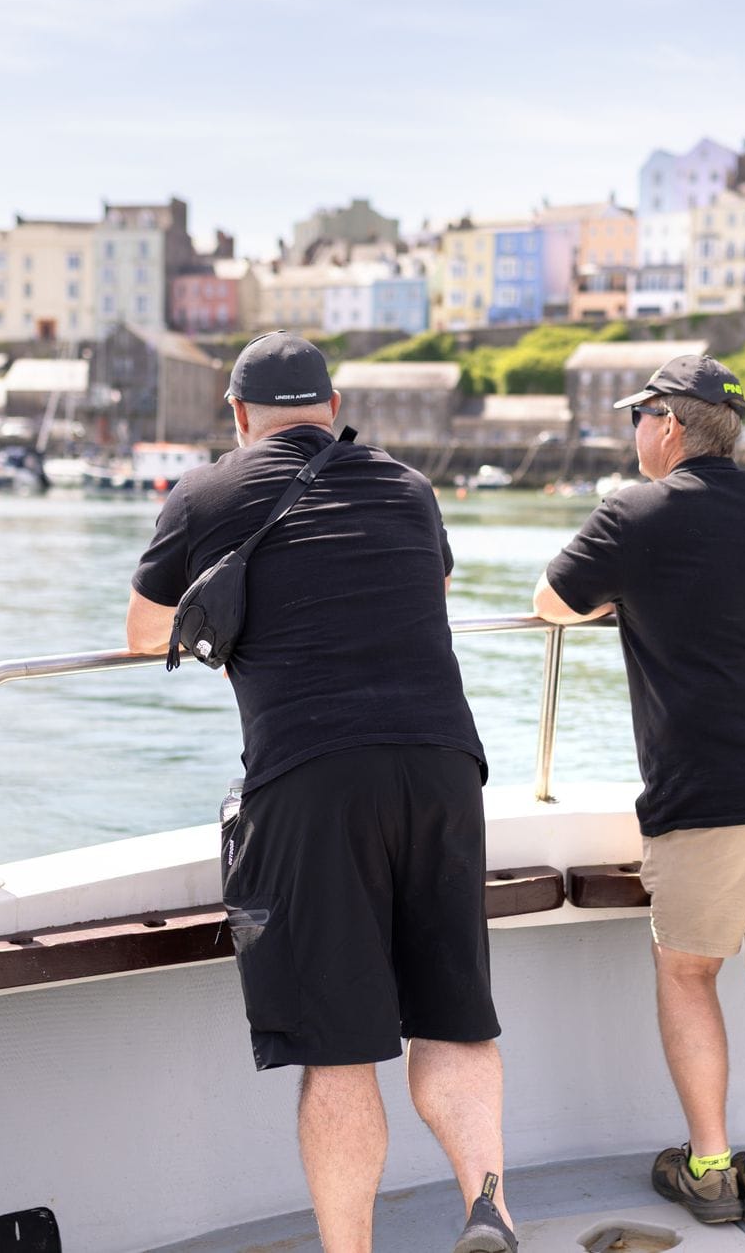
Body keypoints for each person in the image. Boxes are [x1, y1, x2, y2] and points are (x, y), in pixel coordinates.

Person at [125, 332, 517, 1253]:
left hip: (312, 778)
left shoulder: (206, 493)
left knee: (341, 1052)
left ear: (237, 415)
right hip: (444, 768)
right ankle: (490, 1206)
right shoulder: (409, 489)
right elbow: (436, 588)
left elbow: (146, 633)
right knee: (454, 1021)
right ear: (332, 408)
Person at [531, 353, 745, 1232]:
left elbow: (553, 601)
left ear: (669, 425)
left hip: (716, 785)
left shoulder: (635, 511)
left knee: (688, 969)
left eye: (639, 416)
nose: (634, 432)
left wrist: (623, 599)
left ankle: (709, 1169)